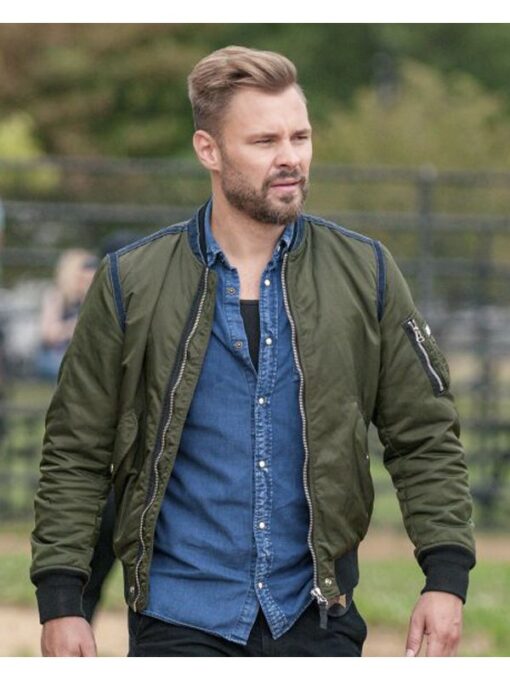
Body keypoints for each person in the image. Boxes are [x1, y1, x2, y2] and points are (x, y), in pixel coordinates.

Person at [30, 46, 476, 657]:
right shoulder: (129, 282)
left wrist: (445, 578)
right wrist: (62, 601)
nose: (290, 157)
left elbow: (424, 436)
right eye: (265, 141)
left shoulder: (366, 272)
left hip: (316, 617)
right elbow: (75, 451)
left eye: (300, 136)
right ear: (208, 150)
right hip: (178, 621)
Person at [35, 249, 98, 381]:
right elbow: (48, 334)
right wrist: (73, 327)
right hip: (57, 355)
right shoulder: (56, 296)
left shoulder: (92, 297)